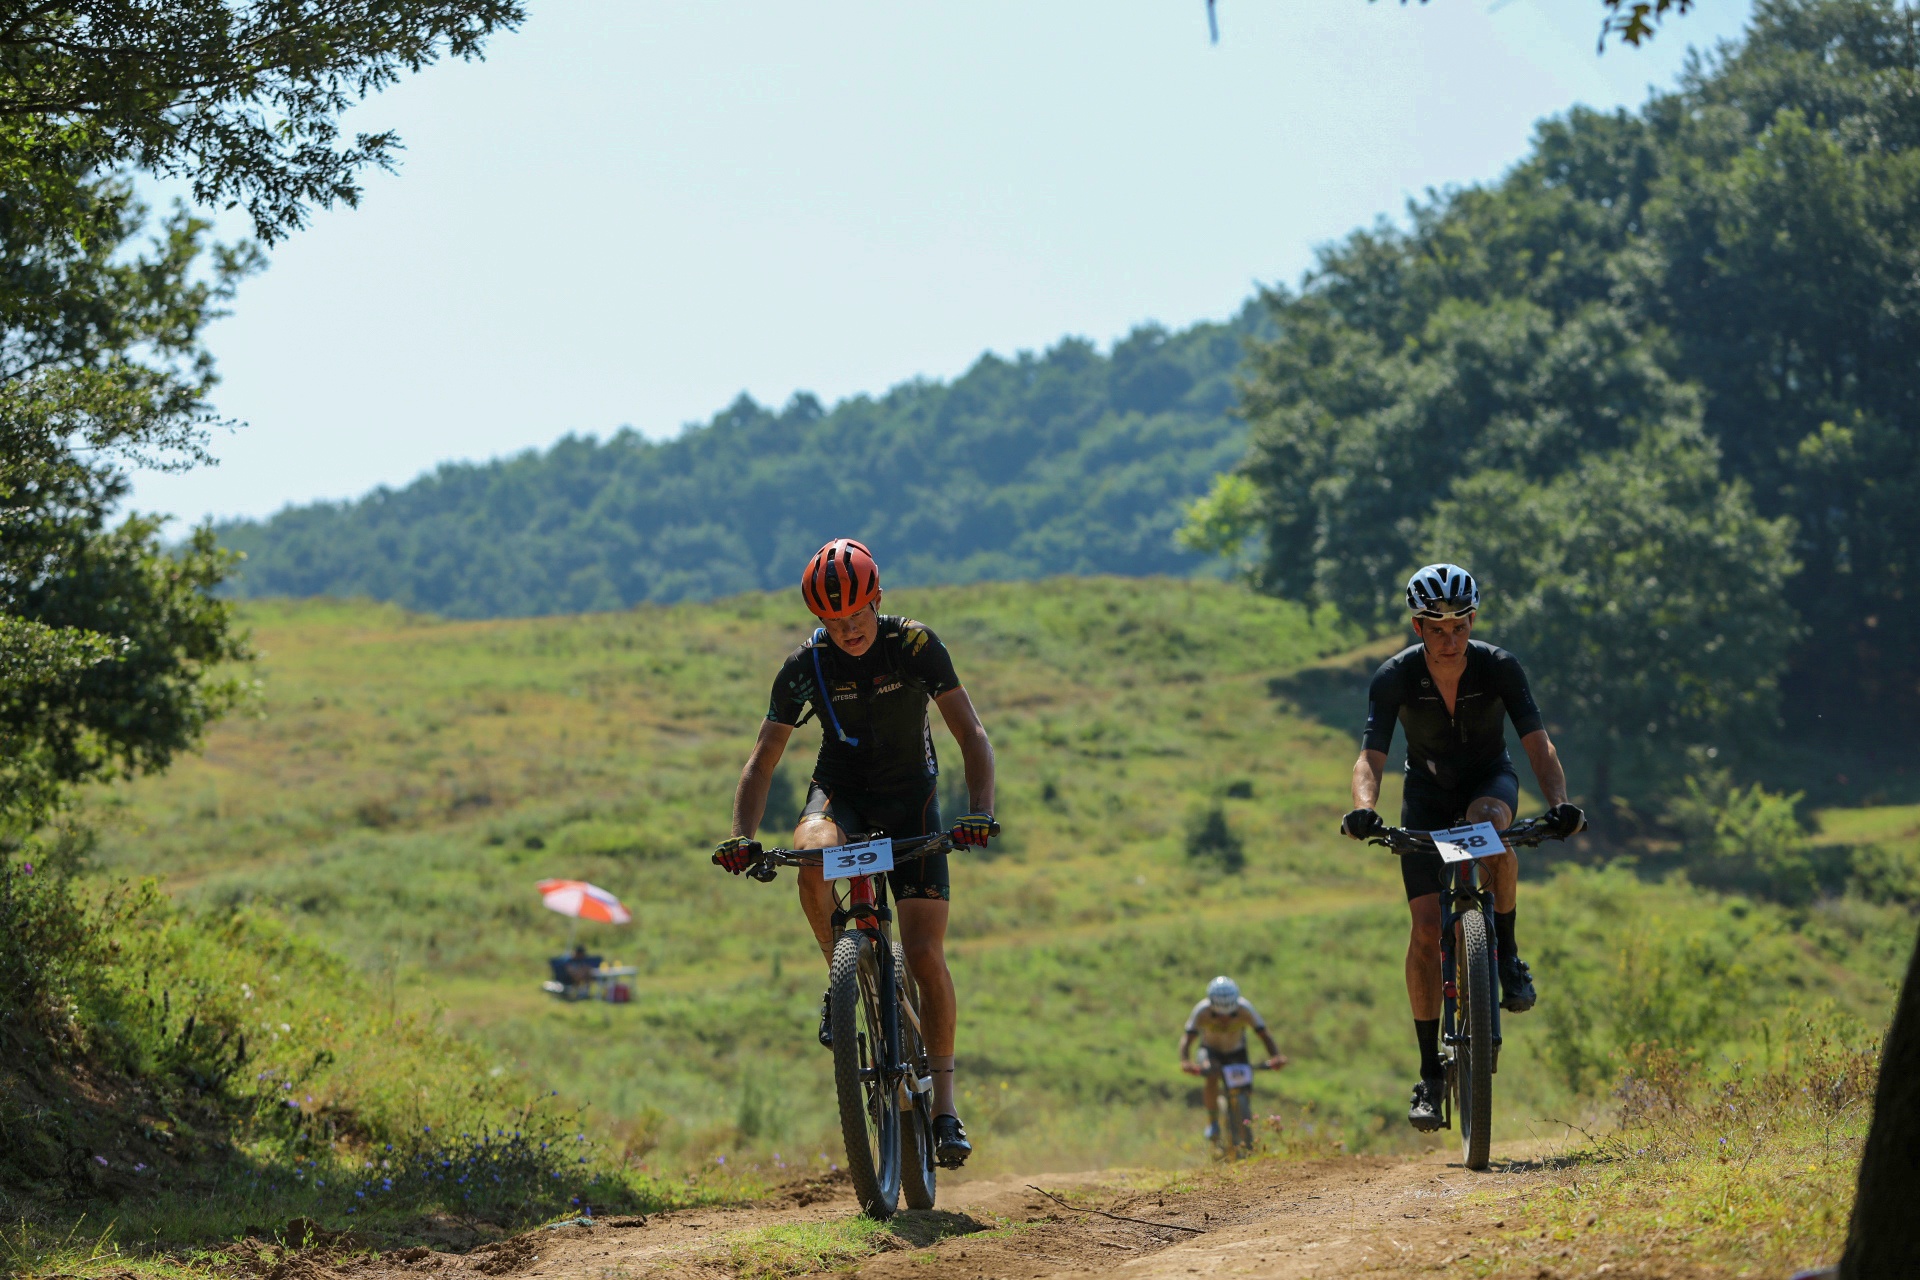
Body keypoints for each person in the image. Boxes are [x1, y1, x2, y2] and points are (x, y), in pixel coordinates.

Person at [711, 538, 997, 1169]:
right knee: (810, 855)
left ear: (877, 600)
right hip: (841, 796)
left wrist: (979, 811)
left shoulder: (916, 646)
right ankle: (841, 968)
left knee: (923, 953)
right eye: (833, 623)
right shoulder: (805, 665)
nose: (848, 631)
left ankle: (945, 1106)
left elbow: (970, 734)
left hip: (911, 804)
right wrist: (741, 833)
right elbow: (763, 759)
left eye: (858, 616)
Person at [1339, 563, 1584, 1134]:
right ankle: (1428, 1075)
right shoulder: (1393, 677)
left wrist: (1562, 803)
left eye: (1459, 627)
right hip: (1423, 796)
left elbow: (1537, 743)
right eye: (1436, 628)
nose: (1449, 641)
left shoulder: (1499, 668)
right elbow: (1369, 756)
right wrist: (1363, 810)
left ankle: (1506, 953)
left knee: (1493, 829)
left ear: (1473, 621)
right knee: (1425, 930)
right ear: (1418, 627)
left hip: (1486, 784)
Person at [1178, 975, 1287, 1139]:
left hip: (1236, 1051)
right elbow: (1188, 1038)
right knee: (1211, 1075)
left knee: (1245, 1086)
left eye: (1230, 1014)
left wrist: (1276, 1056)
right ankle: (1213, 1121)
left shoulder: (1245, 1009)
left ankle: (1243, 1115)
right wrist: (1185, 1060)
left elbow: (1264, 1035)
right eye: (1219, 1015)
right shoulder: (1201, 1011)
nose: (1225, 1019)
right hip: (1210, 1051)